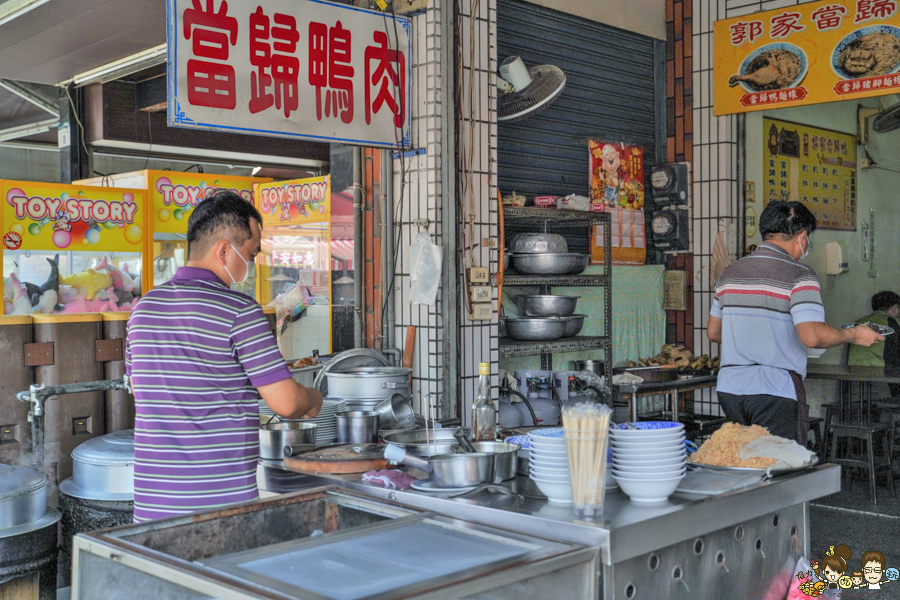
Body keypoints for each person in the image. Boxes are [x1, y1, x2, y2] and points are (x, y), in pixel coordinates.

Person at [125, 191, 323, 522]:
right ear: (224, 250)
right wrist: (314, 398)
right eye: (251, 253)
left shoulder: (142, 309)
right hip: (219, 509)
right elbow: (287, 404)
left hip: (152, 507)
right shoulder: (239, 312)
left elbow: (142, 390)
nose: (252, 262)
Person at [707, 201, 882, 443]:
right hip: (774, 392)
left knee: (747, 465)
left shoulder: (730, 274)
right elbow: (812, 336)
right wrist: (854, 334)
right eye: (809, 238)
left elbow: (714, 332)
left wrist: (757, 335)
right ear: (802, 236)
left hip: (730, 390)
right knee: (779, 469)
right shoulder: (799, 275)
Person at [849, 291, 900, 396]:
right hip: (879, 377)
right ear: (894, 308)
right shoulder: (890, 323)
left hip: (853, 374)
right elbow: (893, 354)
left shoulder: (861, 321)